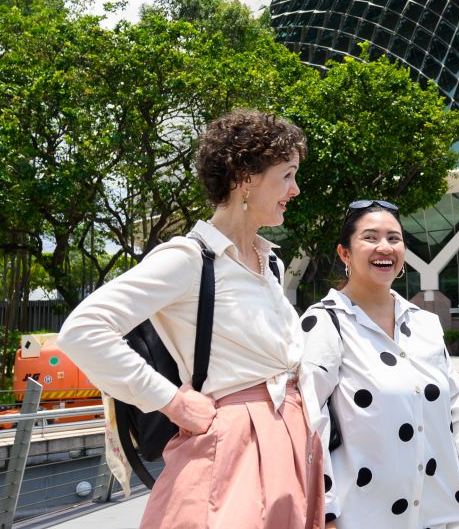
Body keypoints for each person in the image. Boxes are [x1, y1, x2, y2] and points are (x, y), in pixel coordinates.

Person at [58, 109, 323, 528]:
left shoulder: (269, 261)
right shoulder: (188, 257)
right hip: (234, 441)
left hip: (290, 435)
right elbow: (82, 330)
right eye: (287, 174)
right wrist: (173, 402)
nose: (295, 189)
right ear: (245, 177)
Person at [300, 199, 459, 528]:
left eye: (394, 238)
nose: (385, 247)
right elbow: (309, 425)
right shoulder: (325, 323)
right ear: (344, 254)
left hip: (433, 514)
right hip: (361, 516)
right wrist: (326, 515)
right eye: (370, 237)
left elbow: (455, 402)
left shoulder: (424, 323)